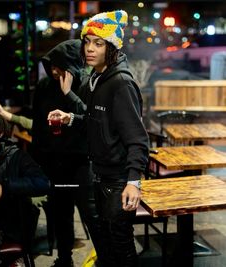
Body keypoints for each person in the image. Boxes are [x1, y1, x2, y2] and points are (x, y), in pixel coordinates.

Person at [48, 10, 149, 267]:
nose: (89, 48)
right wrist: (70, 118)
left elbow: (137, 139)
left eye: (98, 43)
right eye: (87, 41)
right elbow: (97, 124)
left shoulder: (120, 84)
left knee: (122, 249)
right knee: (104, 248)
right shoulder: (96, 79)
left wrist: (133, 182)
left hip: (117, 183)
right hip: (99, 176)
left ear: (112, 47)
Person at [31, 39, 102, 267]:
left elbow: (91, 121)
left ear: (71, 65)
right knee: (60, 215)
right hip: (54, 165)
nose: (53, 70)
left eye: (58, 65)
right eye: (50, 65)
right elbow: (37, 126)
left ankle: (107, 259)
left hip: (81, 164)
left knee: (92, 216)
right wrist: (38, 162)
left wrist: (69, 93)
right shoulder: (43, 87)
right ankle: (64, 260)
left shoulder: (86, 85)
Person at [0, 111, 50, 266]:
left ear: (1, 133)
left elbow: (43, 183)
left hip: (4, 226)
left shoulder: (15, 156)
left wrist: (5, 186)